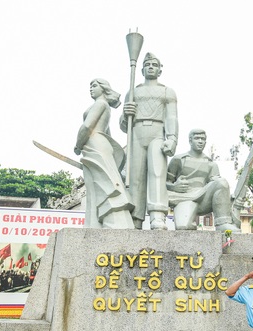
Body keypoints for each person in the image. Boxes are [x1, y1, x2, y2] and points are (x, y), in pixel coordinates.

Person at [120, 52, 178, 230]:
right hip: (136, 133)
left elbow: (172, 117)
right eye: (147, 64)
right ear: (142, 69)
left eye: (154, 64)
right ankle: (135, 217)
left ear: (160, 70)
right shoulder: (133, 91)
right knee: (135, 177)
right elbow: (124, 126)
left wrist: (172, 138)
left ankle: (157, 215)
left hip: (157, 133)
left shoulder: (167, 91)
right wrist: (126, 114)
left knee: (157, 173)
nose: (151, 67)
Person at [75, 78, 135, 229]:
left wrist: (77, 145)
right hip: (100, 144)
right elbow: (108, 134)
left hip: (95, 144)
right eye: (90, 86)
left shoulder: (100, 104)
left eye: (94, 86)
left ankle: (110, 222)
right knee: (98, 183)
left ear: (103, 88)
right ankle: (95, 223)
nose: (91, 89)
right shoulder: (105, 106)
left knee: (104, 183)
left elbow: (87, 127)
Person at [166, 129, 240, 232]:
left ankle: (223, 223)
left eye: (203, 139)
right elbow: (163, 184)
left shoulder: (211, 164)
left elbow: (217, 185)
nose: (200, 141)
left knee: (222, 182)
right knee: (183, 227)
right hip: (183, 198)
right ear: (190, 140)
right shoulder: (178, 160)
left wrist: (227, 196)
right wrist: (173, 186)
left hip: (203, 199)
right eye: (197, 138)